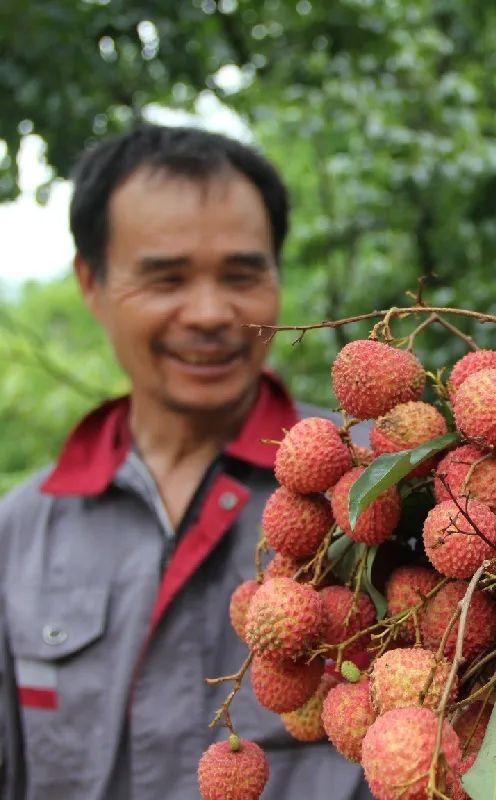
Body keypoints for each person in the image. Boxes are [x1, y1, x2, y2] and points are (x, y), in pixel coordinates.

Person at [0, 125, 370, 799]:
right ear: (91, 283)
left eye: (241, 274)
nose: (209, 313)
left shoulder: (382, 484)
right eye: (166, 278)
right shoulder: (16, 538)